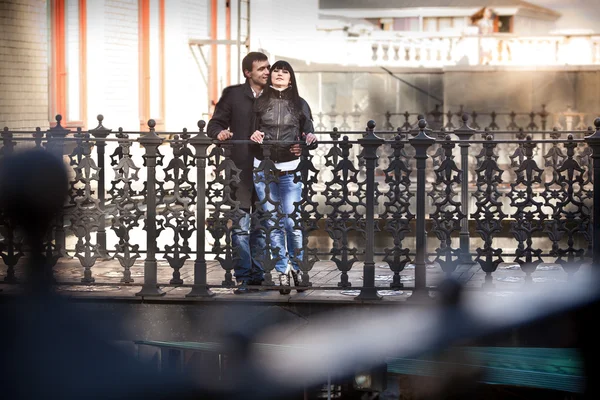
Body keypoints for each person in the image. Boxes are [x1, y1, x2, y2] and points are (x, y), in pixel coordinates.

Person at [250, 60, 317, 294]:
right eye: (276, 71)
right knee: (274, 224)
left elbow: (310, 132)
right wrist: (254, 134)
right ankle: (283, 271)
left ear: (291, 78)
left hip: (290, 169)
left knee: (292, 222)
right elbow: (250, 130)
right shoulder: (260, 102)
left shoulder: (299, 104)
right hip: (264, 169)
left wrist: (307, 142)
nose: (279, 74)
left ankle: (298, 269)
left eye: (284, 71)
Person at [207, 52, 270, 294]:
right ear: (248, 73)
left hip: (267, 170)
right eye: (261, 69)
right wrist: (219, 133)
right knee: (241, 226)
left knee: (262, 226)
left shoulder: (275, 96)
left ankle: (259, 274)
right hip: (239, 171)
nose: (266, 72)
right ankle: (243, 276)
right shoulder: (233, 95)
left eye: (268, 68)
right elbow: (215, 124)